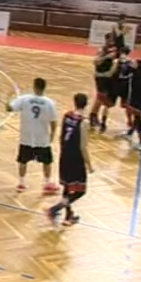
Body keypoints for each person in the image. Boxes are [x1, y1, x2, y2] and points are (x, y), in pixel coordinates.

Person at [47, 93, 94, 227]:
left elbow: (61, 137)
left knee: (67, 186)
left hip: (65, 154)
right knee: (80, 190)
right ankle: (55, 209)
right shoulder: (84, 122)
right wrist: (89, 165)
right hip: (76, 158)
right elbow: (83, 146)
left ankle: (68, 216)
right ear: (86, 104)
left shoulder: (67, 116)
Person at [8, 78, 58, 193]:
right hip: (42, 138)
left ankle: (21, 183)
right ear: (44, 87)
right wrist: (52, 135)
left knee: (23, 160)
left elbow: (9, 108)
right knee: (47, 161)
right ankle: (47, 183)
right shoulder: (49, 103)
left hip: (26, 136)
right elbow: (53, 121)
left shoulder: (24, 99)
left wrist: (8, 98)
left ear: (34, 86)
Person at [89, 33, 119, 132]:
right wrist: (106, 57)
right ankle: (93, 116)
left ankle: (94, 116)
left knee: (103, 97)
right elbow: (96, 62)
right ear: (106, 40)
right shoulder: (102, 50)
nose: (112, 42)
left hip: (109, 76)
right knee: (101, 96)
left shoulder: (114, 50)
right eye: (110, 40)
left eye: (113, 40)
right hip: (101, 76)